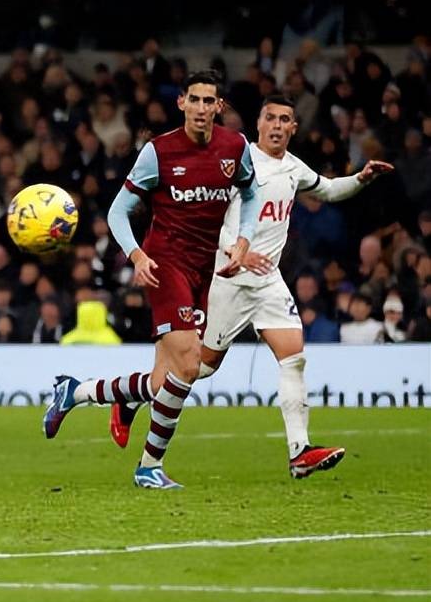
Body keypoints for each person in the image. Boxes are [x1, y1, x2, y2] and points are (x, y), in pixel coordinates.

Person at [110, 95, 392, 478]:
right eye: (271, 118)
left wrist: (361, 178)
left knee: (294, 356)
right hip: (227, 277)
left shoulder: (293, 168)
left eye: (285, 120)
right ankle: (128, 397)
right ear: (258, 125)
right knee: (195, 370)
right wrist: (235, 251)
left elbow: (327, 190)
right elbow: (208, 219)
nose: (277, 126)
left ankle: (299, 452)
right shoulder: (236, 163)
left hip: (268, 280)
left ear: (294, 127)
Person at [42, 71, 264, 489]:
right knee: (190, 363)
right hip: (166, 265)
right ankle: (149, 467)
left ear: (220, 107)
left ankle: (76, 392)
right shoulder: (158, 152)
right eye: (193, 100)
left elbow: (251, 194)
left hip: (204, 268)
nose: (201, 108)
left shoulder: (235, 148)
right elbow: (116, 211)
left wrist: (244, 240)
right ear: (181, 102)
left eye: (208, 101)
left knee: (166, 382)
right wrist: (138, 254)